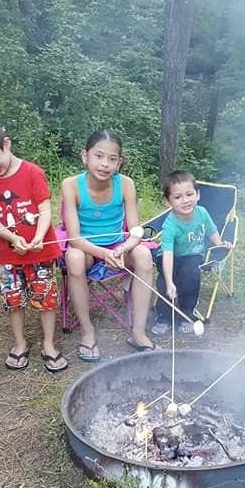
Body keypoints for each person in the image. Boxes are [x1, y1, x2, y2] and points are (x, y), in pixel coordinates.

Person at [0, 117, 68, 373]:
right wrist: (13, 238)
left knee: (46, 300)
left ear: (6, 144)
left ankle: (49, 344)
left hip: (41, 252)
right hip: (9, 257)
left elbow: (44, 210)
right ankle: (19, 344)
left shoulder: (32, 173)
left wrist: (38, 237)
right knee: (13, 301)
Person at [60, 130, 154, 360]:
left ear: (119, 162)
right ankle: (88, 331)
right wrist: (103, 253)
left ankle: (138, 332)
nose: (105, 164)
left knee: (143, 254)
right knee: (74, 258)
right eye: (99, 156)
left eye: (112, 159)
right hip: (86, 248)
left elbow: (135, 232)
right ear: (85, 156)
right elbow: (74, 238)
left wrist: (122, 249)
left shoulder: (126, 184)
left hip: (117, 246)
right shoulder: (71, 185)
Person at [151, 170, 232, 336]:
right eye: (178, 197)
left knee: (190, 274)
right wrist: (169, 282)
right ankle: (164, 317)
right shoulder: (170, 225)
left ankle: (186, 315)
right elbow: (167, 254)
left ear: (198, 195)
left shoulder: (202, 213)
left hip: (193, 255)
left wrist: (219, 244)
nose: (185, 200)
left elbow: (212, 231)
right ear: (167, 201)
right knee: (165, 282)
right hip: (169, 257)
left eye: (189, 194)